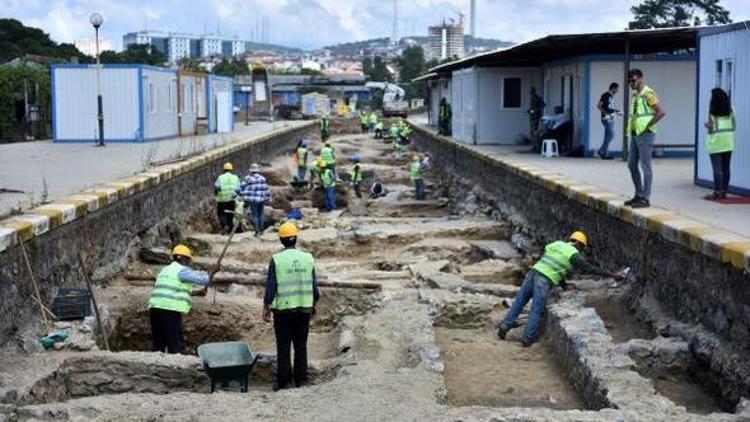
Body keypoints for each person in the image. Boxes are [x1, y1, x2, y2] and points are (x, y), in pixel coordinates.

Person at [497, 232, 626, 347]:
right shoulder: (573, 255)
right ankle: (527, 339)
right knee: (536, 309)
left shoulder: (556, 244)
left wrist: (563, 285)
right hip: (544, 280)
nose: (580, 251)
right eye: (581, 248)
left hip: (533, 272)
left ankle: (505, 325)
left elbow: (555, 265)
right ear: (579, 244)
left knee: (520, 301)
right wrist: (612, 275)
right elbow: (590, 268)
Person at [263, 222, 320, 390]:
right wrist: (314, 303)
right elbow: (314, 286)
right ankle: (302, 380)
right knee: (301, 345)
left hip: (283, 311)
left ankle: (285, 382)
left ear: (281, 240)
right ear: (296, 238)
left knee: (283, 346)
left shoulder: (277, 259)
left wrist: (266, 306)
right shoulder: (307, 258)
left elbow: (271, 286)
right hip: (303, 308)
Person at [149, 245, 217, 354]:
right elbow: (204, 280)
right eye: (189, 259)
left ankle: (157, 365)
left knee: (159, 342)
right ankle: (177, 366)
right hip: (169, 310)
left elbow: (172, 290)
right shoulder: (181, 270)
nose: (189, 262)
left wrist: (195, 293)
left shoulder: (165, 270)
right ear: (184, 258)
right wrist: (212, 272)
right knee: (175, 342)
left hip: (155, 309)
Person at [626, 68, 666, 209]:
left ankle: (645, 197)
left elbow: (661, 112)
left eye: (633, 80)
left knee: (645, 166)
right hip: (635, 133)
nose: (631, 83)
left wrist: (648, 125)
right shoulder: (635, 96)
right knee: (631, 164)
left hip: (645, 133)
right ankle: (639, 194)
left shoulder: (647, 93)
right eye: (629, 81)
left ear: (641, 79)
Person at [703, 87, 735, 200]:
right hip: (728, 141)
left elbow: (711, 128)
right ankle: (724, 192)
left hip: (716, 142)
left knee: (717, 169)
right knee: (726, 168)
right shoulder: (731, 109)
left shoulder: (712, 111)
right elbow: (733, 124)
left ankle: (717, 192)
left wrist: (706, 125)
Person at [237, 163, 271, 236]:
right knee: (261, 214)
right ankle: (262, 231)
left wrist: (241, 195)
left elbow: (240, 188)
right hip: (261, 199)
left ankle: (257, 231)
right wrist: (268, 198)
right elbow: (266, 189)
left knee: (255, 215)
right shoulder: (262, 178)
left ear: (251, 171)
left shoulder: (247, 178)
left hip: (252, 200)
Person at [214, 162, 240, 234]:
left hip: (222, 199)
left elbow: (216, 187)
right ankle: (230, 229)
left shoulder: (220, 177)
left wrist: (216, 194)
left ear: (224, 170)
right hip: (231, 199)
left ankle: (224, 225)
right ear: (231, 170)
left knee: (221, 213)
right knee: (230, 214)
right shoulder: (235, 177)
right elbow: (238, 189)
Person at [596, 83, 620, 159]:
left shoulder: (612, 97)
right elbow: (599, 106)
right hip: (607, 118)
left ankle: (604, 154)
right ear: (613, 88)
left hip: (611, 117)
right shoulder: (605, 95)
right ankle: (601, 151)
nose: (617, 91)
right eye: (616, 89)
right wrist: (606, 113)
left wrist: (616, 111)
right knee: (611, 135)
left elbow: (610, 107)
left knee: (607, 136)